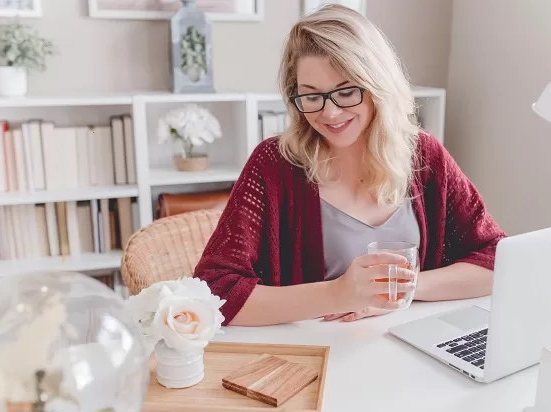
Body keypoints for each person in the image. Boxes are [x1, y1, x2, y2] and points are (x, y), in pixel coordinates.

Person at [193, 4, 506, 326]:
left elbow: (498, 259)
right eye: (311, 95)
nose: (329, 113)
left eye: (346, 92)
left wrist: (399, 290)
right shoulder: (274, 164)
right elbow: (214, 291)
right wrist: (338, 293)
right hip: (313, 356)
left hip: (406, 348)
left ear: (378, 87)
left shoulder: (424, 155)